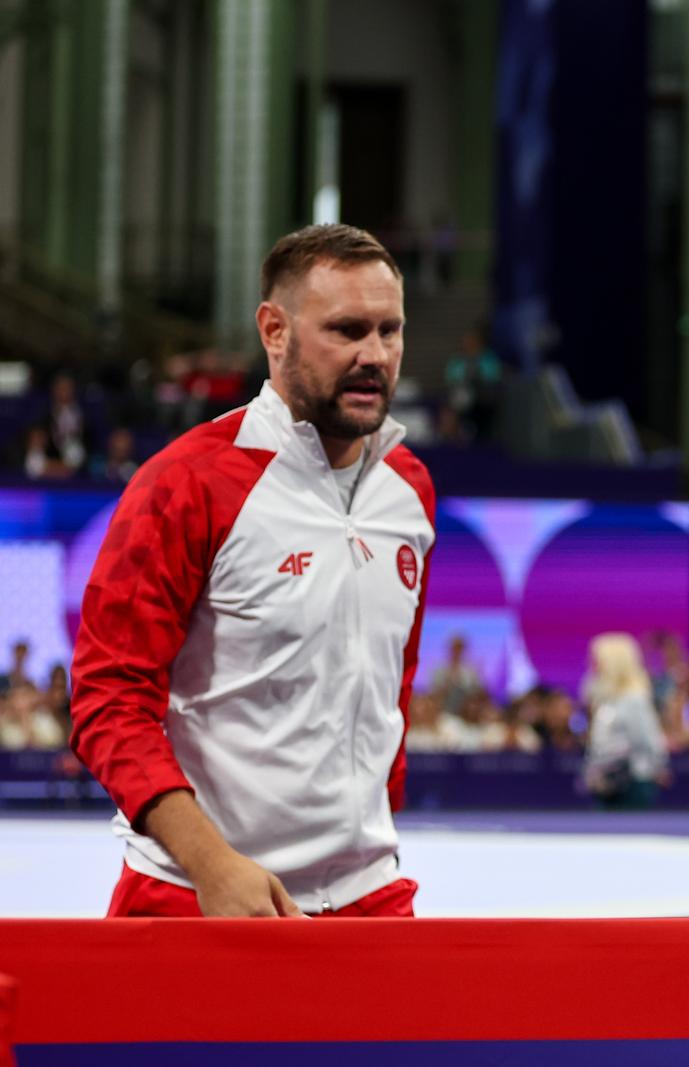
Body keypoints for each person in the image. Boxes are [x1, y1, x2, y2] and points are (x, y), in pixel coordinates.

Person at [69, 223, 436, 918]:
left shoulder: (410, 487)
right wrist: (211, 864)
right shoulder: (184, 483)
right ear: (275, 330)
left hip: (369, 897)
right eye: (346, 329)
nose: (375, 355)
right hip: (195, 891)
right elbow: (107, 697)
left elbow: (391, 683)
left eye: (390, 330)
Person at [581, 633, 669, 809]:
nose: (592, 665)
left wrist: (656, 768)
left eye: (597, 660)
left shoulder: (634, 699)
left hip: (633, 783)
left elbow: (649, 741)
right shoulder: (606, 700)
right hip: (606, 782)